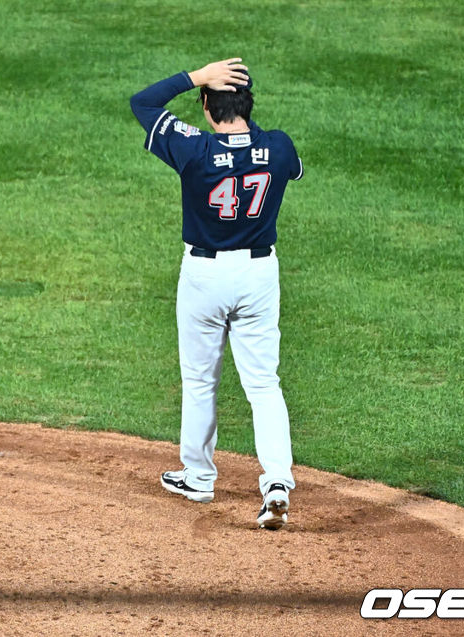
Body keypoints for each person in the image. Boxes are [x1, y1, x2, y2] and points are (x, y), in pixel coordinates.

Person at [129, 59, 303, 529]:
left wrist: (196, 77)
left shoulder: (194, 149)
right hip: (259, 276)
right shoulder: (279, 146)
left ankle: (200, 476)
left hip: (205, 277)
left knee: (201, 379)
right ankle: (277, 482)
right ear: (249, 104)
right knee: (264, 383)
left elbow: (141, 102)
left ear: (206, 106)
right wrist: (241, 118)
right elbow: (262, 148)